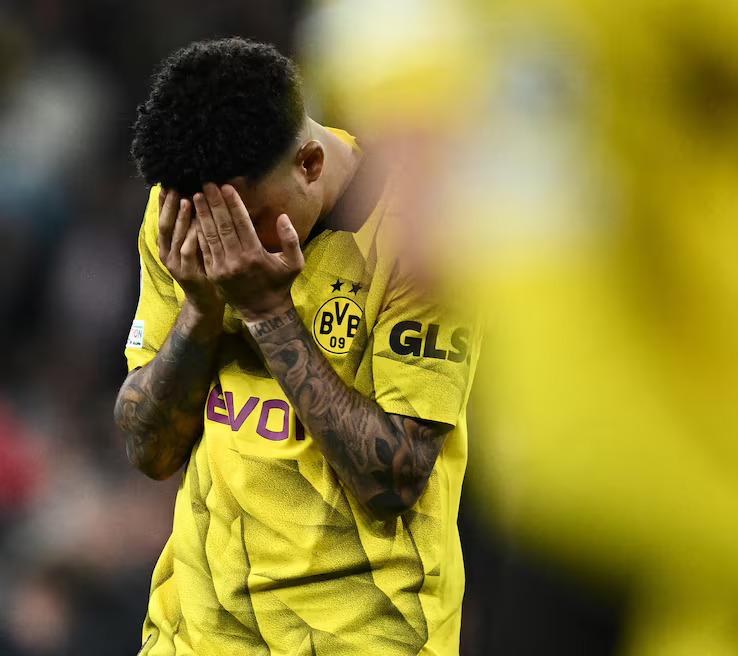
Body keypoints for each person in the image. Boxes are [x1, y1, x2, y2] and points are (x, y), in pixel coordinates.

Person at [114, 37, 480, 656]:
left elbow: (393, 480)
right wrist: (200, 313)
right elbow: (147, 450)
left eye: (245, 222)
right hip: (193, 636)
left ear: (309, 163)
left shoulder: (425, 236)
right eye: (207, 230)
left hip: (364, 635)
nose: (223, 249)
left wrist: (266, 312)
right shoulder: (184, 213)